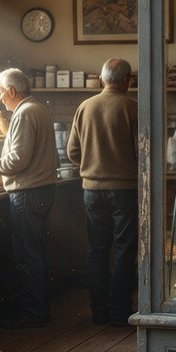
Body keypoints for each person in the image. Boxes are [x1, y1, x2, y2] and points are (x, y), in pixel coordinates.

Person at [0, 68, 59, 329]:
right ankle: (40, 309)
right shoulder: (38, 108)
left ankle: (33, 313)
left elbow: (17, 160)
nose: (0, 99)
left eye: (1, 93)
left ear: (12, 91)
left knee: (27, 255)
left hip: (26, 192)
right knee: (38, 254)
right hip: (43, 190)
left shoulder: (23, 113)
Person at [66, 58, 139, 327]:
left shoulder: (84, 107)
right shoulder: (132, 107)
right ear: (127, 81)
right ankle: (120, 312)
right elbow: (140, 152)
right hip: (124, 191)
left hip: (91, 191)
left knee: (96, 251)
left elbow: (72, 152)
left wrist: (92, 163)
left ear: (101, 79)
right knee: (123, 250)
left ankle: (98, 311)